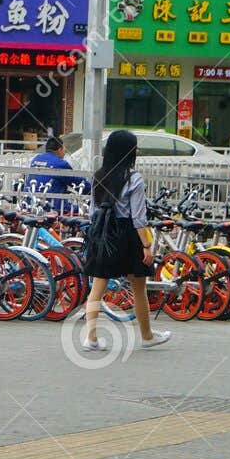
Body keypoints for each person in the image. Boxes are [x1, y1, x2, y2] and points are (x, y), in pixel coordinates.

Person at [81, 128, 172, 353]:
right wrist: (146, 246)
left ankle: (90, 338)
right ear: (130, 152)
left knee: (97, 287)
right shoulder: (134, 178)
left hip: (104, 234)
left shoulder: (98, 176)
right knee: (138, 287)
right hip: (128, 235)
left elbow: (94, 210)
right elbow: (138, 217)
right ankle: (147, 336)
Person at [26, 135, 79, 210]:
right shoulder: (61, 164)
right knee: (80, 210)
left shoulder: (35, 159)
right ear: (60, 149)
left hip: (30, 204)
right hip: (52, 206)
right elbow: (77, 182)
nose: (64, 153)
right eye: (64, 149)